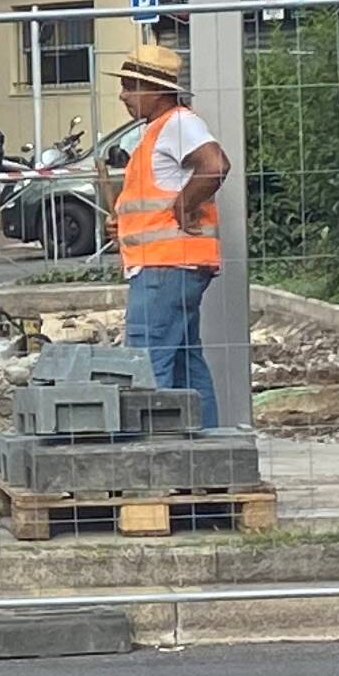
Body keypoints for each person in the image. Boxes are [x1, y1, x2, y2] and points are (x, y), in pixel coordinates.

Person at [111, 42, 228, 428]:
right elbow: (153, 200)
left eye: (131, 86)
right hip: (173, 265)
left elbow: (214, 165)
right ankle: (209, 455)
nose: (123, 95)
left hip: (165, 267)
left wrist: (181, 208)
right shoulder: (160, 130)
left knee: (148, 365)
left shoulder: (177, 123)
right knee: (184, 363)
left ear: (156, 90)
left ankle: (157, 456)